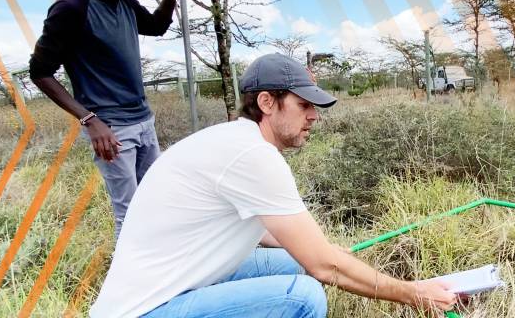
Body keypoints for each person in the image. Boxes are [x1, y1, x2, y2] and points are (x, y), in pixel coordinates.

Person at [89, 54, 457, 317]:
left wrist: (322, 250)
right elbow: (325, 268)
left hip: (174, 281)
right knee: (304, 296)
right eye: (303, 104)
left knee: (295, 262)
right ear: (267, 102)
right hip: (146, 308)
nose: (314, 115)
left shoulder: (236, 141)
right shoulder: (253, 155)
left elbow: (278, 235)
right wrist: (414, 293)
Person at [28, 0, 188, 236]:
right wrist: (90, 119)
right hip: (112, 131)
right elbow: (40, 72)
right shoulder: (71, 7)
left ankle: (161, 267)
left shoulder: (123, 1)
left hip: (143, 120)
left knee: (155, 198)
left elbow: (157, 26)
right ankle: (132, 282)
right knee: (128, 213)